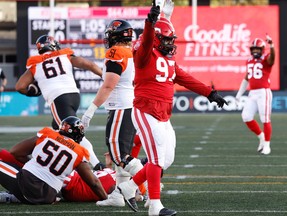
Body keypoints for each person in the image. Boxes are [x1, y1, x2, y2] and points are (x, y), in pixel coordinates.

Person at [102, 1, 228, 216]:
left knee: (166, 159)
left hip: (163, 114)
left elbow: (185, 78)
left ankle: (128, 186)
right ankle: (155, 206)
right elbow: (149, 37)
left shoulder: (166, 58)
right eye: (167, 39)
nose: (170, 43)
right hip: (146, 111)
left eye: (171, 39)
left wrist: (210, 93)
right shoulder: (143, 54)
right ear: (156, 38)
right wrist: (150, 21)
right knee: (157, 159)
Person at [15, 35, 104, 170]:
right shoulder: (64, 56)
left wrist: (31, 92)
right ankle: (64, 164)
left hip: (58, 98)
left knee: (74, 133)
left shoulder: (36, 64)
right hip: (74, 96)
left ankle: (97, 165)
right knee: (57, 130)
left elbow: (20, 86)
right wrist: (104, 76)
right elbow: (89, 64)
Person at [82, 19, 146, 207]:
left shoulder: (116, 52)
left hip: (121, 107)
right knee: (121, 155)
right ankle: (119, 196)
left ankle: (150, 188)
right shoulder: (131, 52)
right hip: (129, 105)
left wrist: (89, 111)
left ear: (115, 36)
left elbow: (109, 85)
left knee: (119, 155)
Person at [0, 116, 108, 204]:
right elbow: (94, 182)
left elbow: (15, 151)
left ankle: (13, 194)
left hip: (29, 186)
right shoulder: (80, 152)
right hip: (49, 196)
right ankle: (10, 196)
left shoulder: (48, 134)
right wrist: (106, 198)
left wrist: (32, 164)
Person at [235, 35, 275, 155]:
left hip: (264, 92)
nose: (255, 51)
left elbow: (272, 59)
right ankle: (261, 137)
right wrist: (239, 94)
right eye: (254, 49)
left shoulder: (266, 58)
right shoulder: (249, 60)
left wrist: (272, 46)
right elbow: (247, 78)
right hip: (252, 93)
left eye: (258, 49)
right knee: (246, 116)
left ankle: (267, 145)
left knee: (265, 118)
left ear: (262, 49)